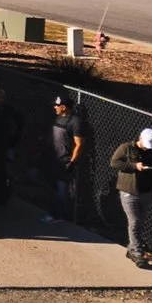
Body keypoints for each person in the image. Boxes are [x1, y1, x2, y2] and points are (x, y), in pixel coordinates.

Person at [111, 127, 152, 266]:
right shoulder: (126, 148)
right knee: (134, 221)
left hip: (146, 192)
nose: (148, 149)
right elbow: (114, 163)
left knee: (140, 222)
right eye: (146, 145)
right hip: (129, 191)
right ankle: (137, 251)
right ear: (140, 139)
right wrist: (134, 166)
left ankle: (132, 247)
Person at [44, 95, 89, 224]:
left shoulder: (75, 122)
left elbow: (79, 144)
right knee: (36, 174)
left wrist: (72, 162)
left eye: (57, 106)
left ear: (64, 107)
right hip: (52, 157)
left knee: (62, 189)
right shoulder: (57, 117)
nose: (54, 107)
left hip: (65, 161)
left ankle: (58, 215)